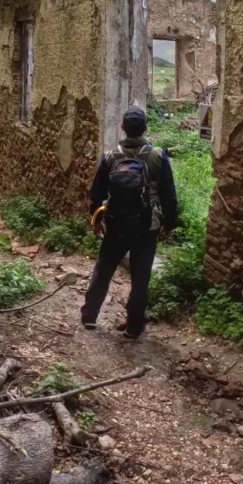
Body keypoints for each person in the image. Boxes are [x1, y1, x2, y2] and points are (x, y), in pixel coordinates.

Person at [80, 105, 179, 339]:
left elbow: (97, 194)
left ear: (123, 128)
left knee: (104, 269)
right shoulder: (157, 155)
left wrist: (96, 220)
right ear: (145, 127)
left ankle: (90, 316)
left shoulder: (110, 156)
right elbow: (169, 194)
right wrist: (169, 224)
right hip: (147, 225)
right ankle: (133, 327)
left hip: (116, 222)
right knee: (141, 276)